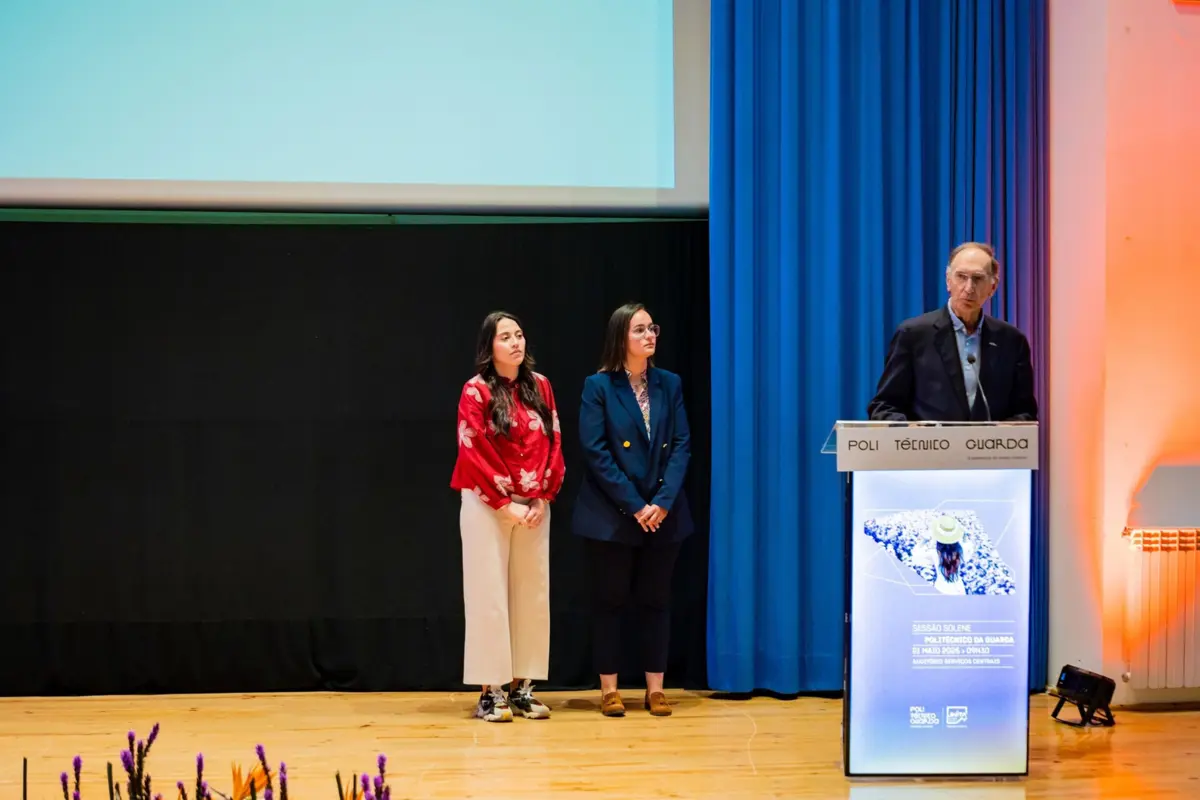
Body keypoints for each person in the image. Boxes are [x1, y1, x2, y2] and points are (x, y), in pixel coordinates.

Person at [572, 303, 693, 718]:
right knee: (610, 600)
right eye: (640, 329)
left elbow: (681, 445)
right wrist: (635, 504)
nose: (650, 336)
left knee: (656, 600)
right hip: (612, 513)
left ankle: (654, 688)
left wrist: (660, 503)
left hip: (664, 513)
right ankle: (610, 688)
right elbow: (595, 450)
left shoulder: (669, 384)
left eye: (653, 328)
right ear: (621, 337)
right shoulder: (598, 386)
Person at [450, 311, 565, 722]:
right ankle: (491, 690)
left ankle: (523, 686)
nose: (516, 342)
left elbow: (554, 440)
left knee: (532, 593)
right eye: (506, 337)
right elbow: (473, 448)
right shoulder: (475, 391)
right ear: (490, 346)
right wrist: (506, 502)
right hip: (487, 503)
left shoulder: (542, 387)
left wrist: (541, 496)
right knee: (489, 594)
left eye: (519, 334)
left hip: (533, 504)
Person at [867, 242, 1038, 422]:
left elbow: (1025, 412)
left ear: (992, 288)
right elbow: (884, 406)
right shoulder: (913, 334)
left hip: (988, 449)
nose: (968, 288)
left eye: (978, 278)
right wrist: (913, 434)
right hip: (930, 448)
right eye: (961, 277)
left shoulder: (1011, 340)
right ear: (948, 281)